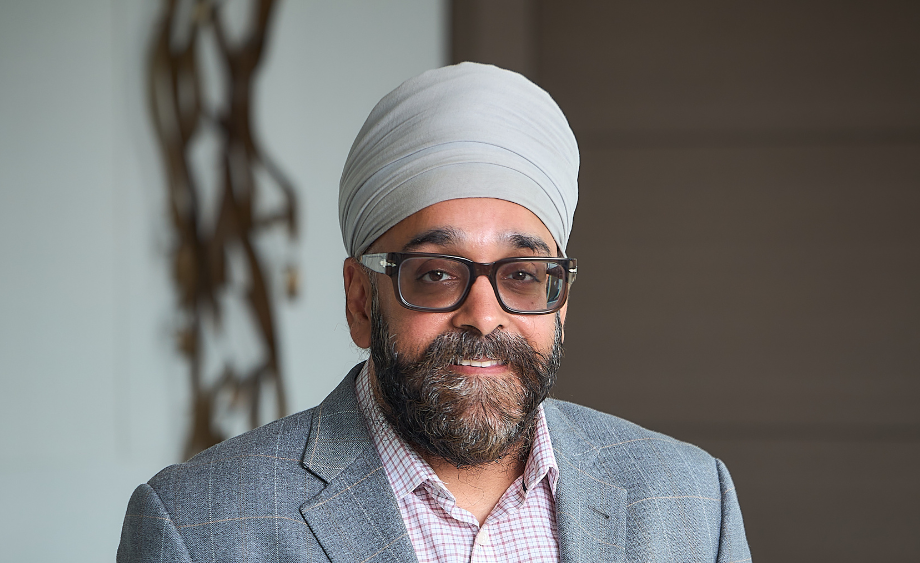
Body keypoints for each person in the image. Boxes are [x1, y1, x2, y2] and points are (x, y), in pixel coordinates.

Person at [118, 62, 751, 563]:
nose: (483, 315)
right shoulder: (197, 530)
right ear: (362, 300)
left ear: (560, 305)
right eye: (437, 274)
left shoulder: (691, 503)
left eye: (523, 276)